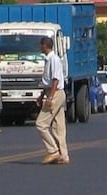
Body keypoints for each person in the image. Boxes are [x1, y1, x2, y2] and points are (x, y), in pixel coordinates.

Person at [35, 36, 68, 164]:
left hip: (56, 93)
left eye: (41, 45)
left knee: (41, 124)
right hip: (53, 92)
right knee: (58, 126)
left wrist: (49, 98)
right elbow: (48, 82)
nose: (40, 47)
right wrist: (42, 95)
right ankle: (63, 155)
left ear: (45, 46)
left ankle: (53, 150)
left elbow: (55, 80)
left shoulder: (53, 60)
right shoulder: (49, 59)